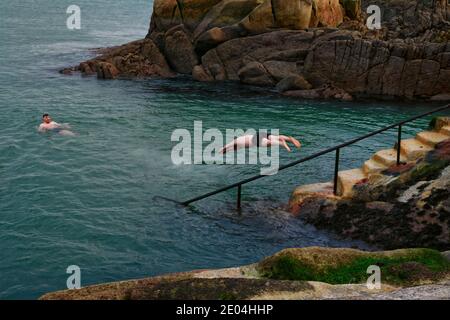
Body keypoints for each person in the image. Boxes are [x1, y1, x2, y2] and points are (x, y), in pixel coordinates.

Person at [219, 132, 301, 154]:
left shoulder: (237, 142)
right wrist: (225, 150)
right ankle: (289, 139)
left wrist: (221, 151)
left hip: (256, 140)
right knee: (276, 137)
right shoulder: (239, 140)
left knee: (269, 143)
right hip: (259, 134)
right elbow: (230, 149)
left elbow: (227, 146)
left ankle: (282, 144)